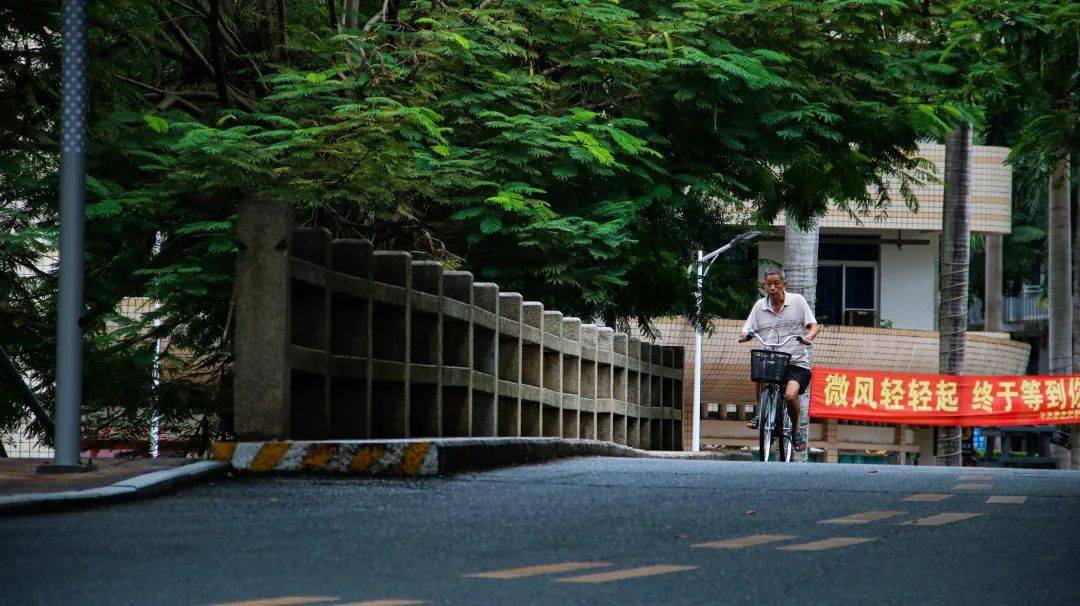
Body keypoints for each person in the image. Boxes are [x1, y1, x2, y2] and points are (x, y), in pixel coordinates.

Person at [740, 267, 820, 452]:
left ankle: (795, 429)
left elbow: (815, 326)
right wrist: (747, 335)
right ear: (764, 286)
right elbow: (746, 329)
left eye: (777, 283)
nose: (773, 288)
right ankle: (761, 414)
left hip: (796, 362)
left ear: (784, 284)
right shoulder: (759, 306)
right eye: (769, 284)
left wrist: (808, 336)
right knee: (759, 371)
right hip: (773, 360)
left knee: (790, 395)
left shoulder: (797, 301)